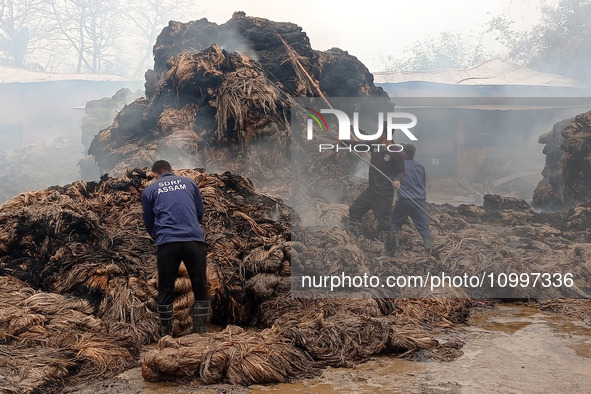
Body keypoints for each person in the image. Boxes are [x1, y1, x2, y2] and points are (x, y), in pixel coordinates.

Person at [141, 160, 209, 337]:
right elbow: (199, 211)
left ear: (155, 174)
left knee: (165, 287)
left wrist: (160, 237)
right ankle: (202, 332)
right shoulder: (189, 182)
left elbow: (149, 221)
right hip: (194, 241)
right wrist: (191, 228)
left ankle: (166, 333)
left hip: (167, 243)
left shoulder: (150, 190)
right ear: (172, 170)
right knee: (200, 284)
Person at [345, 131, 405, 257]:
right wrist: (345, 141)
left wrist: (397, 180)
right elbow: (359, 145)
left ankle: (391, 253)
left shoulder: (395, 151)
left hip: (384, 193)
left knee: (385, 222)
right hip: (371, 190)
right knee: (355, 210)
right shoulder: (375, 145)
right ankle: (353, 243)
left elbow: (401, 171)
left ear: (384, 134)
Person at [390, 144, 433, 253]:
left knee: (394, 224)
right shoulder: (420, 167)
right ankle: (429, 250)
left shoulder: (399, 167)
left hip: (405, 200)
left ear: (404, 153)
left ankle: (391, 250)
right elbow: (423, 184)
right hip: (420, 201)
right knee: (424, 227)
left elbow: (393, 181)